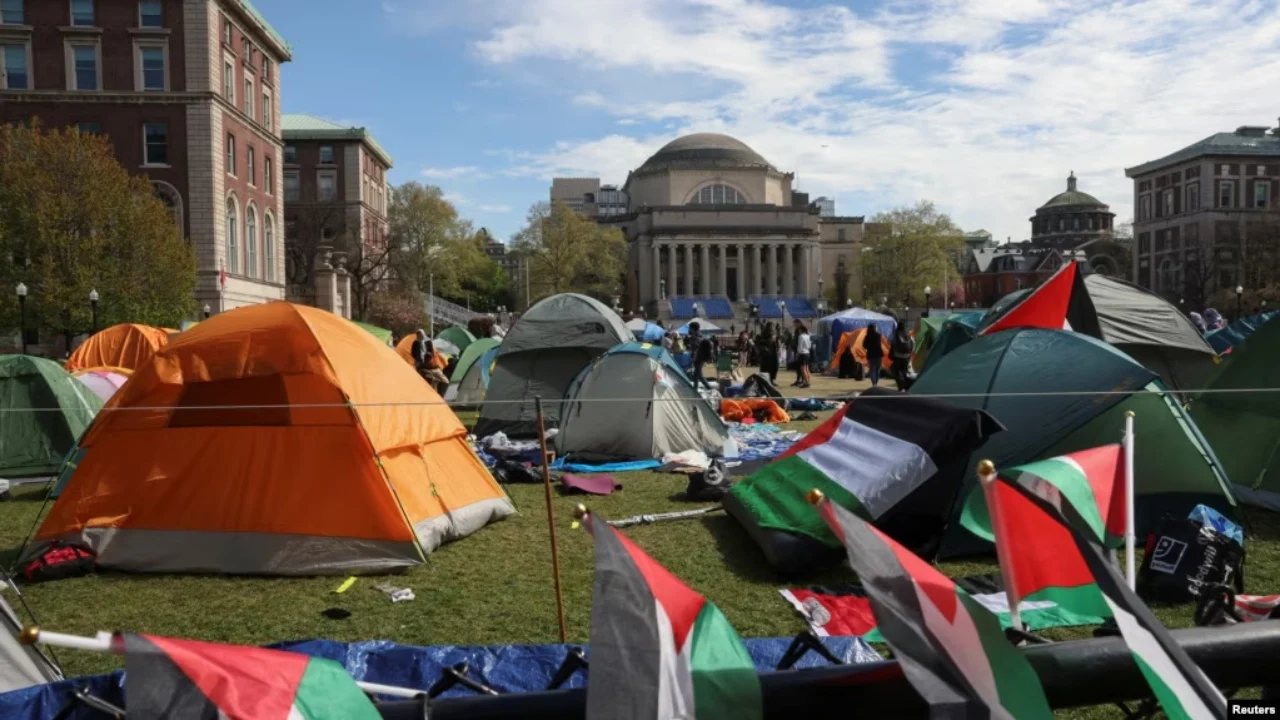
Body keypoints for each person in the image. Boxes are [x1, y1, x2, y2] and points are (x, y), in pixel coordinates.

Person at [687, 322, 713, 390]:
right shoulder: (700, 335)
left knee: (698, 375)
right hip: (702, 357)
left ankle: (707, 388)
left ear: (692, 328)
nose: (689, 329)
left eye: (689, 327)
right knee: (697, 374)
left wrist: (694, 358)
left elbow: (696, 348)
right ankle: (697, 388)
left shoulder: (694, 337)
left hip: (698, 358)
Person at [889, 322, 914, 391]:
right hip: (906, 356)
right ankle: (906, 386)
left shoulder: (895, 334)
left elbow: (890, 341)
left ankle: (901, 385)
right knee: (904, 372)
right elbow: (912, 343)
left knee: (895, 371)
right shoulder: (908, 334)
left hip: (897, 356)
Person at [793, 321, 812, 389]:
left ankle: (807, 383)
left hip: (802, 353)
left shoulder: (801, 336)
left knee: (803, 369)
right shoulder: (808, 336)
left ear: (801, 330)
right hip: (807, 353)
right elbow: (809, 345)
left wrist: (797, 354)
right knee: (807, 369)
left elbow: (799, 347)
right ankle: (808, 381)